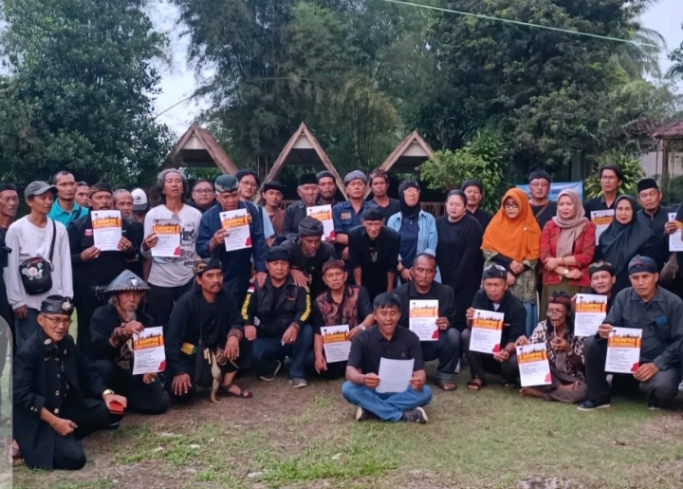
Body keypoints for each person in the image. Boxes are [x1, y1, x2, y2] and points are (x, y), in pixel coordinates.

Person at [13, 295, 127, 470]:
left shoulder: (67, 342)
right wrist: (55, 422)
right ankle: (23, 443)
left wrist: (107, 394)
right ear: (41, 320)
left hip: (66, 408)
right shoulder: (29, 352)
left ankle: (66, 434)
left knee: (113, 410)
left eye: (66, 321)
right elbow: (22, 396)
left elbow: (87, 369)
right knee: (75, 459)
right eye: (56, 320)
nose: (61, 326)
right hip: (42, 418)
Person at [579, 256, 683, 411]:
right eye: (635, 278)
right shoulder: (623, 297)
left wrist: (656, 365)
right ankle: (598, 397)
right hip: (626, 360)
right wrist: (603, 331)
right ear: (630, 279)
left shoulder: (673, 303)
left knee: (663, 389)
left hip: (658, 360)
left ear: (655, 277)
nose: (640, 282)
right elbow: (611, 323)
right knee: (592, 342)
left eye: (645, 277)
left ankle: (651, 394)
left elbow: (680, 342)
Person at [165, 258, 251, 402]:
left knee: (246, 335)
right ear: (199, 280)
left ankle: (226, 383)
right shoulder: (186, 302)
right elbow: (172, 340)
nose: (216, 280)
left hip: (218, 352)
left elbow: (237, 321)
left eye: (219, 275)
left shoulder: (227, 296)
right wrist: (179, 371)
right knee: (182, 394)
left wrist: (234, 336)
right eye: (210, 276)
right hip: (191, 356)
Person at [68, 182, 138, 353]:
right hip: (88, 292)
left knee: (118, 332)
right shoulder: (78, 226)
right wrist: (82, 256)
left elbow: (135, 257)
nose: (104, 201)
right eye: (99, 197)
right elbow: (67, 258)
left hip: (116, 292)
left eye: (108, 197)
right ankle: (85, 368)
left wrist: (130, 249)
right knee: (86, 334)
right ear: (90, 201)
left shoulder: (126, 225)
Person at [341, 292, 432, 423]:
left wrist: (419, 380)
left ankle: (372, 409)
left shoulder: (411, 338)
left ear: (399, 315)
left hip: (402, 390)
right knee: (348, 388)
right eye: (383, 313)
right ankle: (401, 415)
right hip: (372, 389)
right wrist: (364, 378)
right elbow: (350, 372)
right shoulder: (362, 338)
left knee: (426, 392)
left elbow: (419, 371)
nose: (388, 318)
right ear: (375, 316)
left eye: (393, 313)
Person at [88, 271, 170, 414]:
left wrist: (149, 370)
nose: (132, 299)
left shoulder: (146, 319)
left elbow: (152, 353)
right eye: (126, 294)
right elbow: (96, 351)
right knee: (103, 367)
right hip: (112, 372)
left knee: (160, 403)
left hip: (134, 375)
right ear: (116, 296)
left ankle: (126, 399)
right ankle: (108, 397)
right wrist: (120, 335)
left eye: (136, 294)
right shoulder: (101, 315)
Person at [5, 181, 73, 347]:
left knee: (56, 348)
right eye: (43, 198)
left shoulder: (59, 229)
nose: (48, 202)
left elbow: (66, 264)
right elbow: (10, 267)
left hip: (55, 300)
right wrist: (16, 301)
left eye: (50, 197)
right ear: (30, 201)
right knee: (29, 349)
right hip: (27, 302)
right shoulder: (16, 229)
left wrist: (67, 297)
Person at [241, 246, 313, 388]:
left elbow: (306, 310)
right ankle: (274, 365)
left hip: (290, 335)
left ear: (289, 265)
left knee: (307, 330)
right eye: (275, 263)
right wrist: (248, 324)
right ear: (267, 265)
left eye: (284, 263)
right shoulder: (257, 284)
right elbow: (245, 308)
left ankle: (297, 373)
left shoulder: (299, 284)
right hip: (266, 335)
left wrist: (295, 326)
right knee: (251, 352)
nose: (279, 268)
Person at [140, 169, 202, 330]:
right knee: (158, 325)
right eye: (170, 181)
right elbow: (146, 253)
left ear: (183, 187)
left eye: (178, 181)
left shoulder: (195, 215)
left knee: (189, 324)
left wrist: (199, 275)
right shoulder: (153, 215)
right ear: (162, 189)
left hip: (188, 278)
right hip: (159, 279)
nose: (174, 184)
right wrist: (146, 245)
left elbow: (199, 249)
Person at [196, 174, 268, 306]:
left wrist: (261, 269)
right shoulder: (208, 217)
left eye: (234, 195)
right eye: (226, 197)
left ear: (239, 193)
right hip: (221, 273)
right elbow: (201, 248)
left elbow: (259, 241)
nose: (231, 200)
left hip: (245, 270)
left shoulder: (250, 210)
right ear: (217, 197)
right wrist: (213, 242)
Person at [394, 252, 460, 391]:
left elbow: (452, 318)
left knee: (453, 334)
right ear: (412, 271)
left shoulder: (445, 292)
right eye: (420, 270)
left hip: (433, 343)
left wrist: (446, 323)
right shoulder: (399, 294)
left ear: (435, 273)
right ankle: (406, 372)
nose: (424, 275)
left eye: (429, 271)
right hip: (408, 344)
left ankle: (444, 375)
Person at [482, 188, 542, 336]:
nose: (510, 208)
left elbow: (535, 255)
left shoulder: (531, 226)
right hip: (498, 276)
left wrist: (515, 272)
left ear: (523, 205)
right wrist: (508, 267)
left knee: (522, 318)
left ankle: (522, 347)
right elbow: (487, 249)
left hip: (523, 279)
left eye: (515, 205)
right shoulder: (496, 223)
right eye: (507, 205)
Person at [462, 265, 525, 390]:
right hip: (484, 350)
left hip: (504, 355)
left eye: (496, 285)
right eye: (488, 284)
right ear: (483, 285)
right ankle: (477, 376)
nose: (492, 289)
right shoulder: (480, 296)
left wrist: (506, 351)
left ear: (506, 285)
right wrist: (470, 319)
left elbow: (516, 338)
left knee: (515, 356)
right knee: (466, 334)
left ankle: (508, 378)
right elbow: (471, 327)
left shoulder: (517, 306)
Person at [516, 291, 587, 403]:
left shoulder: (578, 331)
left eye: (558, 311)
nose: (553, 315)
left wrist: (568, 350)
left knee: (583, 391)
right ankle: (560, 389)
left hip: (570, 376)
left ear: (568, 312)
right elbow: (531, 359)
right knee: (519, 363)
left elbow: (583, 366)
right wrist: (524, 347)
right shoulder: (542, 327)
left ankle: (542, 393)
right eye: (550, 311)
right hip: (548, 373)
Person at [310, 260, 374, 379]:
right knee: (309, 361)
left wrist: (360, 328)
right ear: (324, 280)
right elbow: (318, 331)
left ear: (345, 276)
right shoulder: (319, 301)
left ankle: (349, 368)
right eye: (330, 275)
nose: (335, 278)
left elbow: (371, 316)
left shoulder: (359, 292)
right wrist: (318, 355)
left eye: (338, 274)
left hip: (356, 344)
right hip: (333, 348)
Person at [540, 189, 596, 318]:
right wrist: (566, 272)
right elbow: (545, 256)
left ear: (576, 205)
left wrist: (557, 261)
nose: (565, 208)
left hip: (578, 280)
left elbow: (587, 256)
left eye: (569, 204)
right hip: (553, 281)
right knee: (554, 320)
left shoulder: (587, 226)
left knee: (576, 321)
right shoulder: (550, 226)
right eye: (561, 204)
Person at [435, 190, 484, 331]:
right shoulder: (438, 223)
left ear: (465, 207)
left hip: (465, 280)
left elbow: (469, 257)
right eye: (451, 204)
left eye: (458, 204)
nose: (453, 207)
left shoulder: (473, 225)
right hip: (441, 277)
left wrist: (452, 285)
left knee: (460, 318)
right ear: (446, 205)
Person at [596, 195, 658, 296]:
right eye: (620, 209)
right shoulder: (605, 236)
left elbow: (650, 266)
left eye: (628, 209)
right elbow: (600, 263)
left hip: (636, 289)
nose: (623, 213)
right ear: (615, 211)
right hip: (609, 290)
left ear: (634, 211)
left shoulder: (646, 236)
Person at [387, 180, 438, 283]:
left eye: (416, 191)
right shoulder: (393, 220)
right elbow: (390, 248)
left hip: (424, 274)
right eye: (409, 190)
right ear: (402, 194)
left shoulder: (429, 219)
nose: (413, 194)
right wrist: (402, 269)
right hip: (399, 273)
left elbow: (431, 248)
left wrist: (417, 270)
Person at [348, 206, 400, 301]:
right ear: (363, 222)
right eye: (369, 224)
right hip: (363, 274)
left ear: (383, 222)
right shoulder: (354, 235)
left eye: (377, 224)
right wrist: (359, 289)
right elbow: (356, 263)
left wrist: (389, 288)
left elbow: (392, 265)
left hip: (383, 275)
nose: (373, 228)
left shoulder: (393, 237)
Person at [281, 217, 336, 299]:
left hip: (318, 289)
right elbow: (275, 268)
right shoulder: (287, 248)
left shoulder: (327, 250)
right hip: (292, 291)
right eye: (309, 241)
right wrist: (290, 270)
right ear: (300, 238)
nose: (313, 245)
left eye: (317, 240)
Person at [333, 171, 375, 259]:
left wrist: (353, 247)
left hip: (368, 255)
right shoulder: (337, 209)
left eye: (360, 183)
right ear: (346, 189)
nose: (356, 187)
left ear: (365, 188)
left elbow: (376, 235)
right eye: (353, 184)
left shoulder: (374, 208)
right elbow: (337, 236)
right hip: (343, 258)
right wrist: (360, 243)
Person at [636, 178, 676, 270]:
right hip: (643, 266)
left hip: (670, 266)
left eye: (652, 194)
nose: (648, 198)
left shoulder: (672, 215)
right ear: (639, 200)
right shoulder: (635, 219)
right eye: (644, 195)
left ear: (660, 195)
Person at [236, 169, 275, 244]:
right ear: (237, 184)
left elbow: (268, 240)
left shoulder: (260, 211)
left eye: (253, 184)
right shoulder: (228, 208)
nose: (249, 187)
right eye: (246, 183)